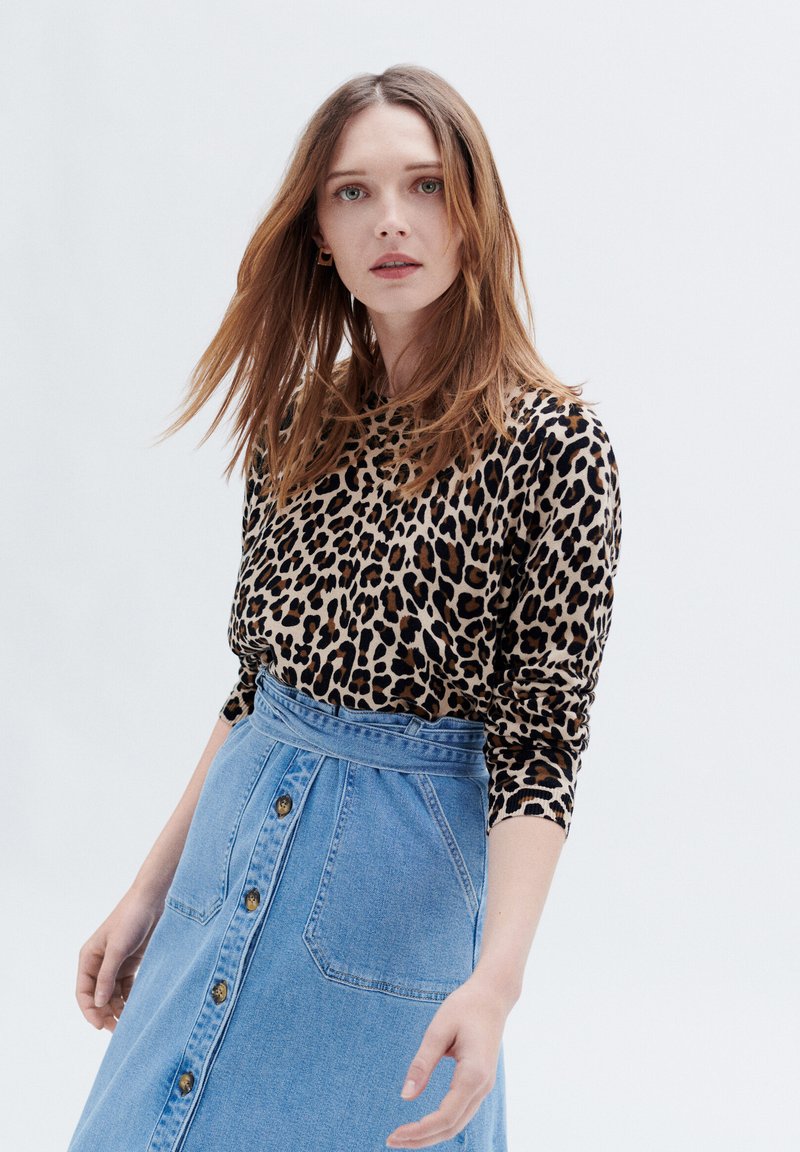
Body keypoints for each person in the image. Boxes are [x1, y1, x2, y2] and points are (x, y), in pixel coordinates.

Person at [68, 64, 622, 1152]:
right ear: (318, 233)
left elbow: (541, 748)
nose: (391, 221)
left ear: (474, 212)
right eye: (351, 193)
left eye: (425, 184)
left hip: (386, 912)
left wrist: (496, 984)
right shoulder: (297, 423)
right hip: (226, 866)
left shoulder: (556, 449)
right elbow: (252, 693)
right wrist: (147, 892)